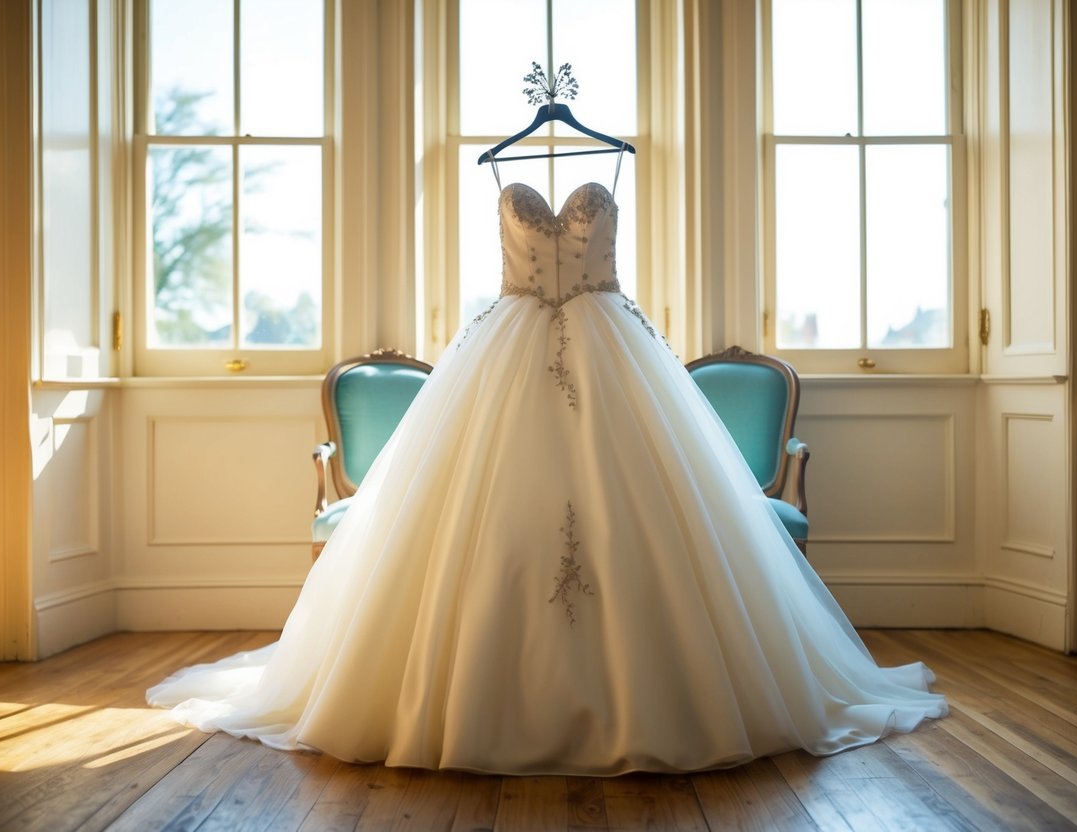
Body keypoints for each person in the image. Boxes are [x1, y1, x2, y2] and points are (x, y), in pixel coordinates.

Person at [148, 148, 947, 776]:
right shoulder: (504, 170)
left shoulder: (616, 161)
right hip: (508, 347)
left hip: (613, 349)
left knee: (639, 508)